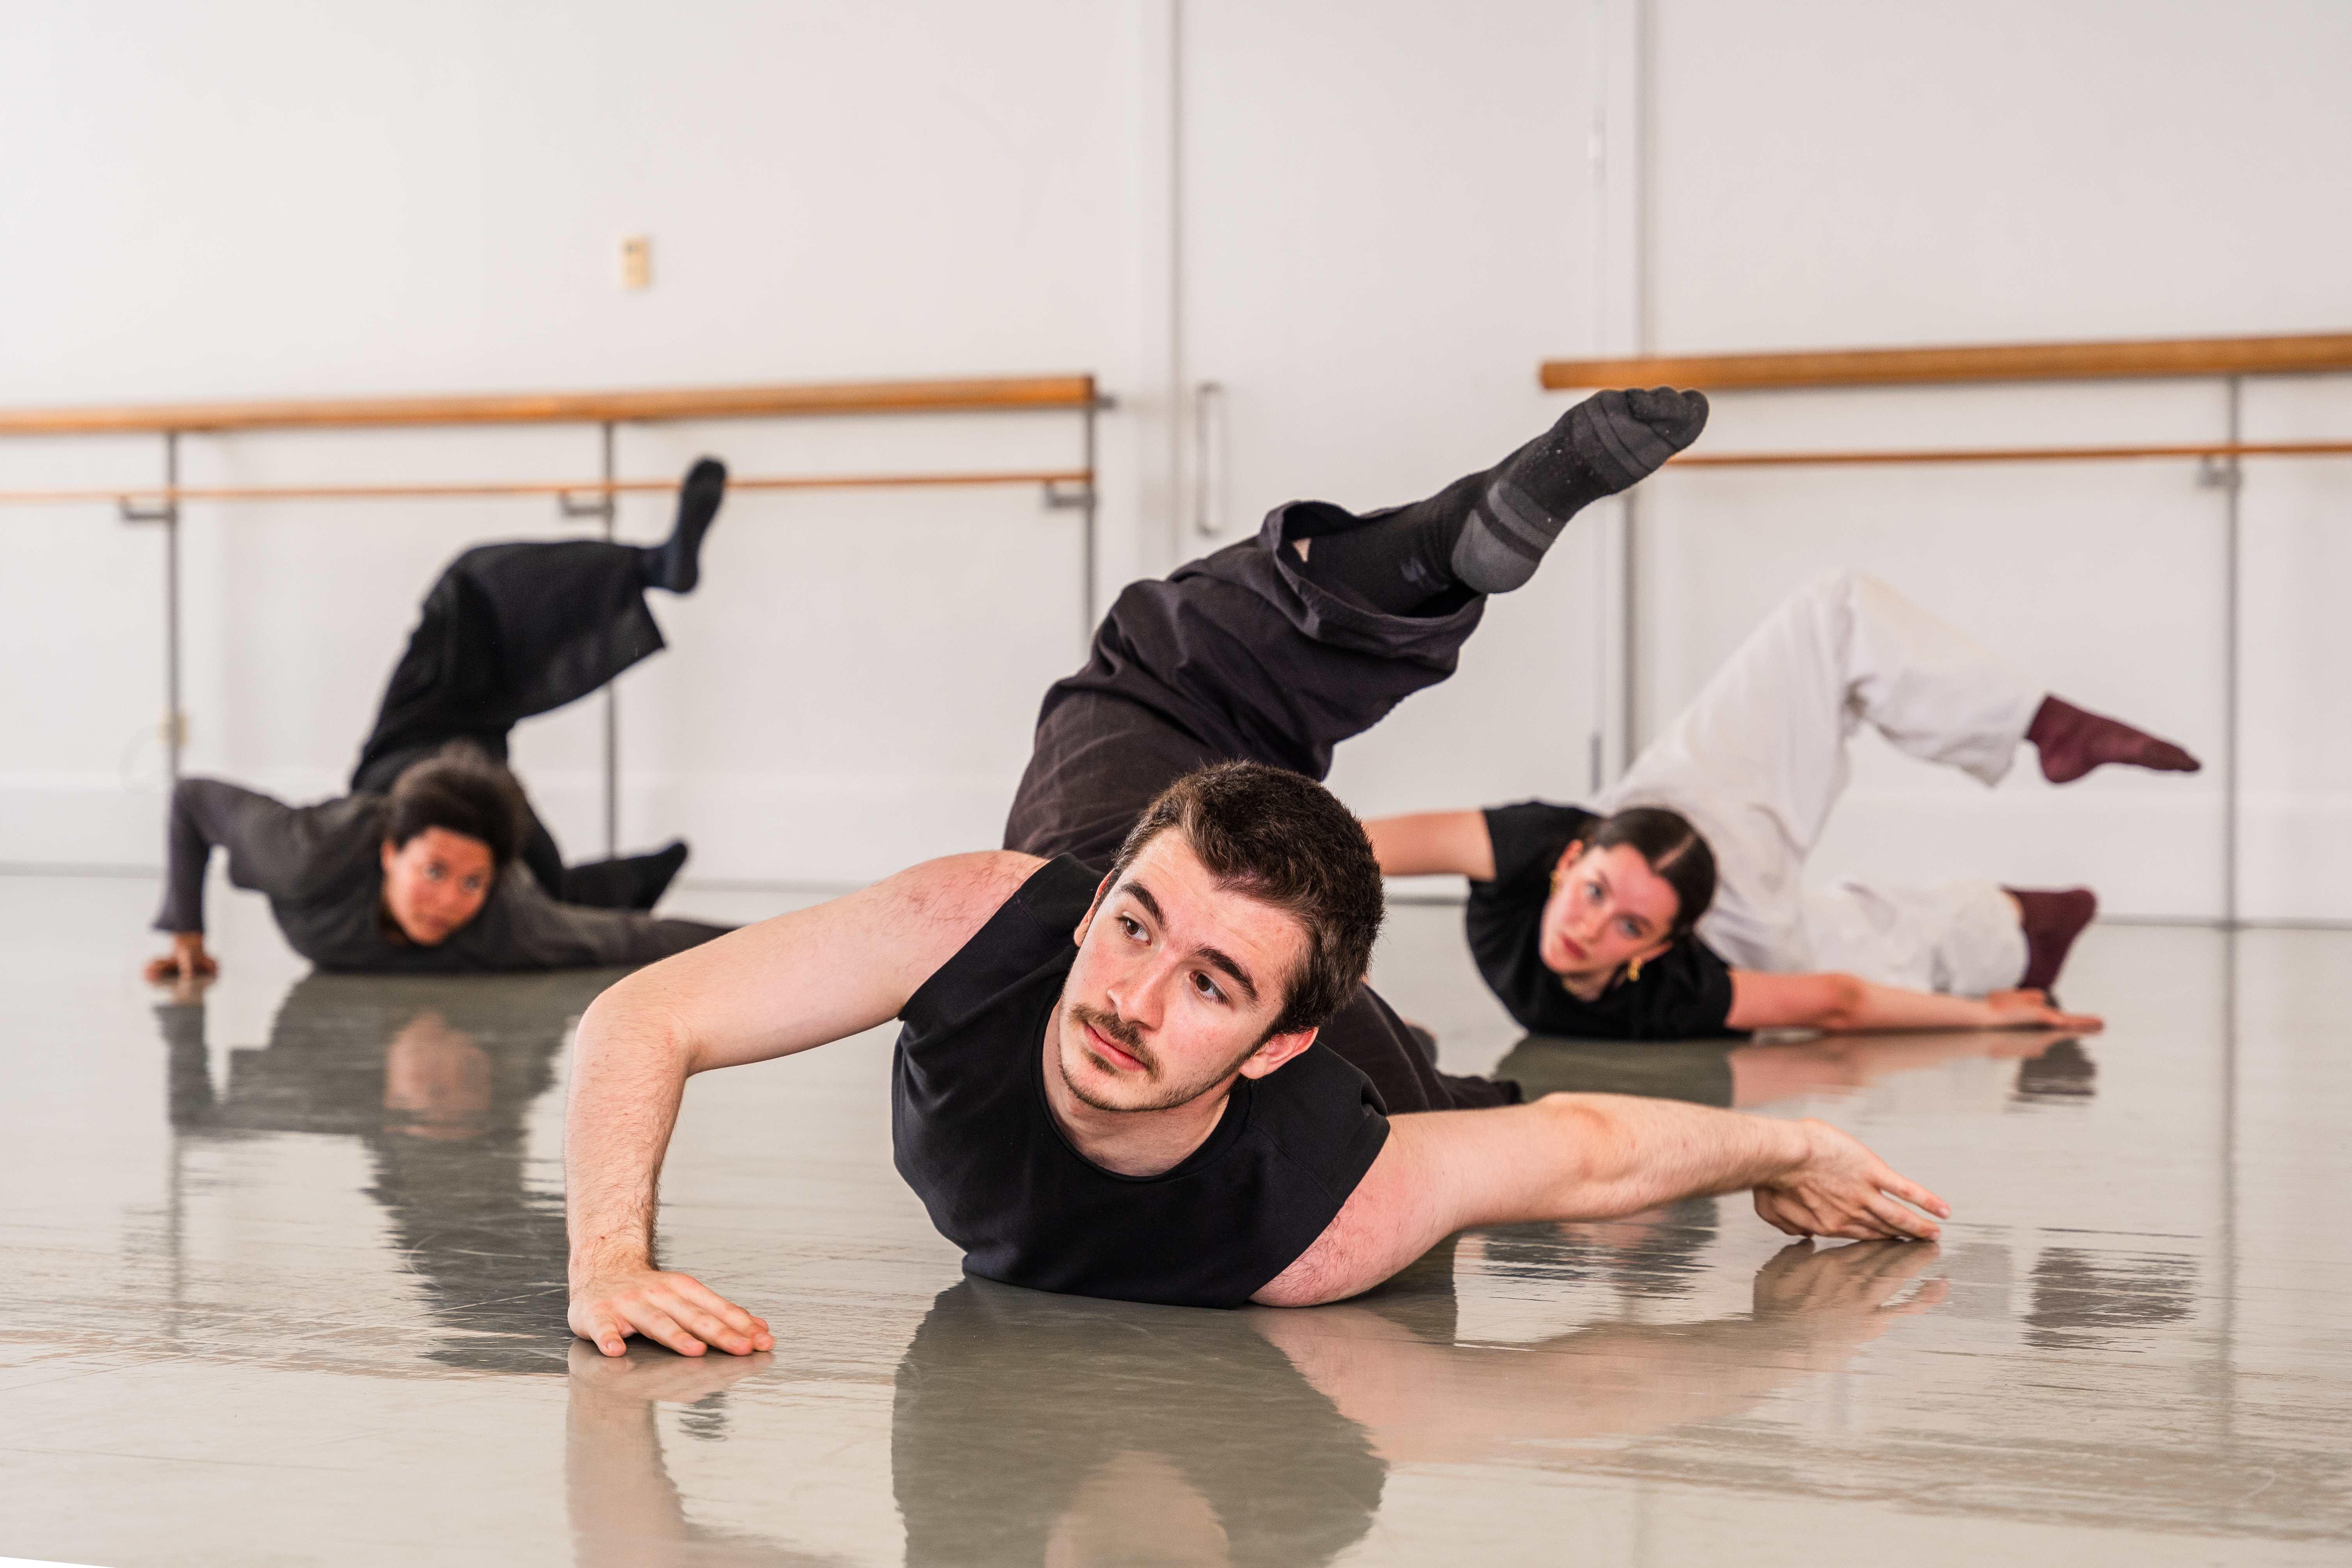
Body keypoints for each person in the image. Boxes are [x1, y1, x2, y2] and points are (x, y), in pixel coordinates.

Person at [565, 388, 1957, 1359]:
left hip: (1342, 1079)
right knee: (1145, 672)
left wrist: (1787, 1144)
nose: (1133, 997)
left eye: (1211, 982)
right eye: (1137, 930)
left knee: (1448, 1103)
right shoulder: (1007, 916)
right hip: (1121, 875)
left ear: (1278, 1039)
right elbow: (644, 1016)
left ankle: (1288, 938)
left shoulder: (1324, 1205)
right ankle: (1428, 550)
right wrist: (609, 1261)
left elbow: (1578, 1155)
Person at [1362, 571, 2199, 1041]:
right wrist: (1982, 1016)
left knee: (1829, 615)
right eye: (1600, 905)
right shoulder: (1669, 982)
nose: (1588, 925)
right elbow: (1837, 998)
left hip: (1672, 814)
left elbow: (1345, 849)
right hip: (1717, 904)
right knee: (1834, 941)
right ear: (1569, 868)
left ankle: (2047, 725)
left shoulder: (1588, 890)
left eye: (1616, 916)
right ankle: (2018, 923)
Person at [143, 460, 734, 979]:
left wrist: (188, 938)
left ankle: (656, 567)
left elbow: (195, 801)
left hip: (409, 745)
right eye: (437, 872)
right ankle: (635, 875)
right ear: (390, 854)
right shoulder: (504, 920)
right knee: (554, 902)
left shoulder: (311, 856)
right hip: (489, 785)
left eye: (470, 882)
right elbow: (631, 939)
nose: (448, 902)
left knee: (468, 589)